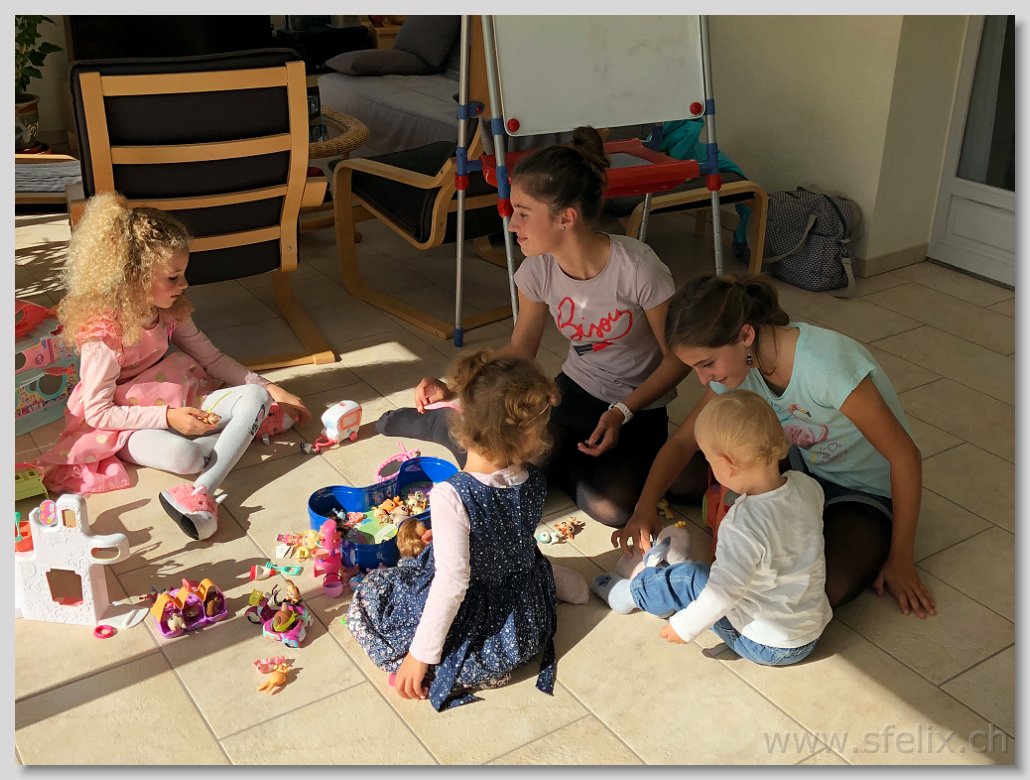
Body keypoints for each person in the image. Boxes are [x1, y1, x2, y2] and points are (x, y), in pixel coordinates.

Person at [377, 126, 690, 527]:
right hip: (577, 392)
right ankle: (441, 422)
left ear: (566, 218)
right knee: (507, 469)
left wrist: (623, 411)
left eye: (523, 213)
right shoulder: (537, 270)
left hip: (640, 405)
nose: (511, 224)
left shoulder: (639, 268)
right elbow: (521, 349)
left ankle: (563, 462)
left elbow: (678, 358)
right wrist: (454, 386)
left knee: (613, 508)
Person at [613, 273, 937, 618]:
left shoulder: (826, 366)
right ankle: (733, 506)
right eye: (695, 367)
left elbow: (905, 456)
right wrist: (644, 507)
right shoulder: (743, 362)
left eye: (707, 364)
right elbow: (682, 442)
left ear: (746, 335)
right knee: (679, 475)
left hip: (864, 492)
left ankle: (766, 516)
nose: (704, 378)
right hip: (799, 470)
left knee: (823, 590)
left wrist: (902, 558)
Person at [39, 192, 310, 540]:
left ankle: (201, 491)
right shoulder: (104, 335)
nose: (184, 285)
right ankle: (239, 434)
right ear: (133, 277)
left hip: (179, 394)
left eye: (183, 274)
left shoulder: (170, 309)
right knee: (186, 456)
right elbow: (98, 413)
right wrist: (168, 418)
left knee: (256, 397)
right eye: (173, 277)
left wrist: (272, 388)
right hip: (126, 424)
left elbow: (212, 359)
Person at [347, 349, 587, 711]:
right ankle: (551, 581)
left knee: (371, 599)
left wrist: (420, 655)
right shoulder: (533, 480)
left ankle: (432, 656)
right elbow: (506, 534)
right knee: (511, 558)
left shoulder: (451, 495)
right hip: (523, 614)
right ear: (524, 438)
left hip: (479, 611)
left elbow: (452, 583)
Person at [593, 390, 832, 666]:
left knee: (690, 577)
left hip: (764, 644)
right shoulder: (807, 486)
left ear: (727, 464)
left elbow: (723, 593)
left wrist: (684, 627)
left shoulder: (742, 523)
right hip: (810, 632)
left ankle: (631, 594)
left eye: (709, 459)